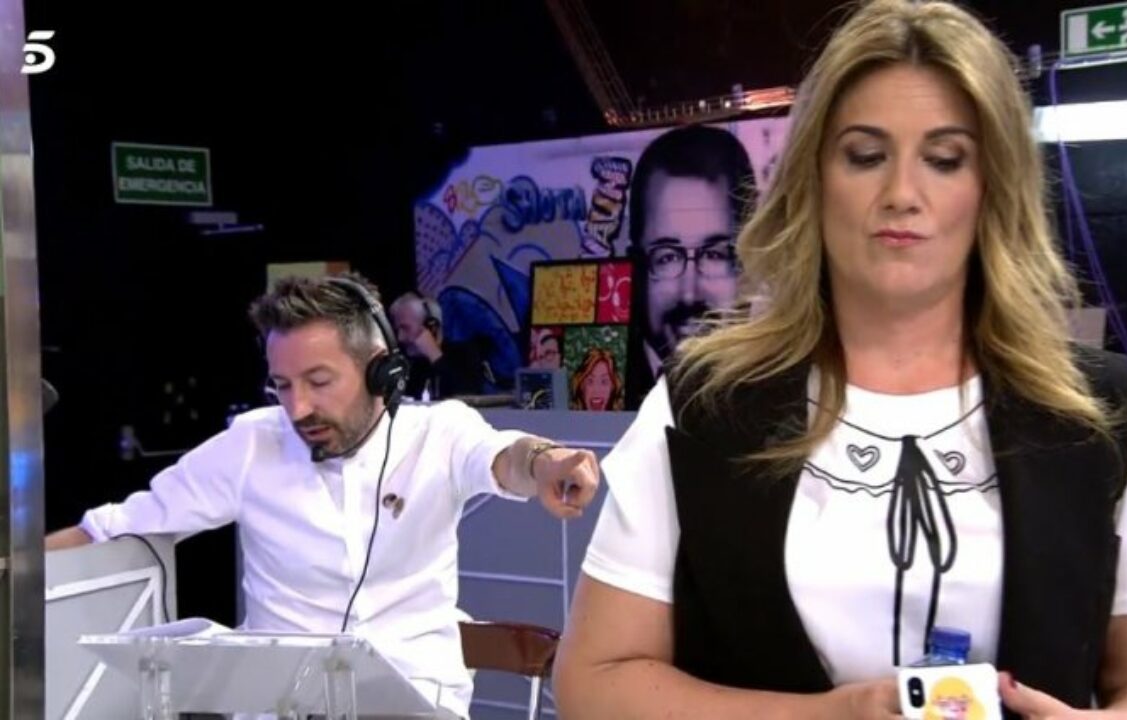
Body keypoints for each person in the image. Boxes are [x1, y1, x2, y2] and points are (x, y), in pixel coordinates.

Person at [554, 1, 1127, 719]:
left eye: (945, 159)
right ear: (814, 178)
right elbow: (594, 683)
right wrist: (828, 717)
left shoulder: (1102, 417)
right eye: (865, 156)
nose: (902, 194)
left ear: (992, 187)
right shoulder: (701, 407)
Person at [46, 273, 600, 719]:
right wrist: (20, 568)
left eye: (318, 381)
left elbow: (506, 458)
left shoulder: (440, 433)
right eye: (282, 385)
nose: (298, 408)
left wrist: (546, 462)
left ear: (381, 370)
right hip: (278, 707)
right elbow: (113, 528)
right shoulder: (251, 444)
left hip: (415, 701)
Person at [624, 124, 758, 407]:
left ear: (750, 261)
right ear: (636, 268)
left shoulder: (787, 393)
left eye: (715, 255)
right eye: (667, 257)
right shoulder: (602, 385)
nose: (689, 293)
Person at [388, 290, 488, 401]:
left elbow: (468, 396)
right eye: (398, 330)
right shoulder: (410, 365)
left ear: (431, 327)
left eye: (406, 328)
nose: (400, 337)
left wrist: (435, 355)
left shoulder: (465, 354)